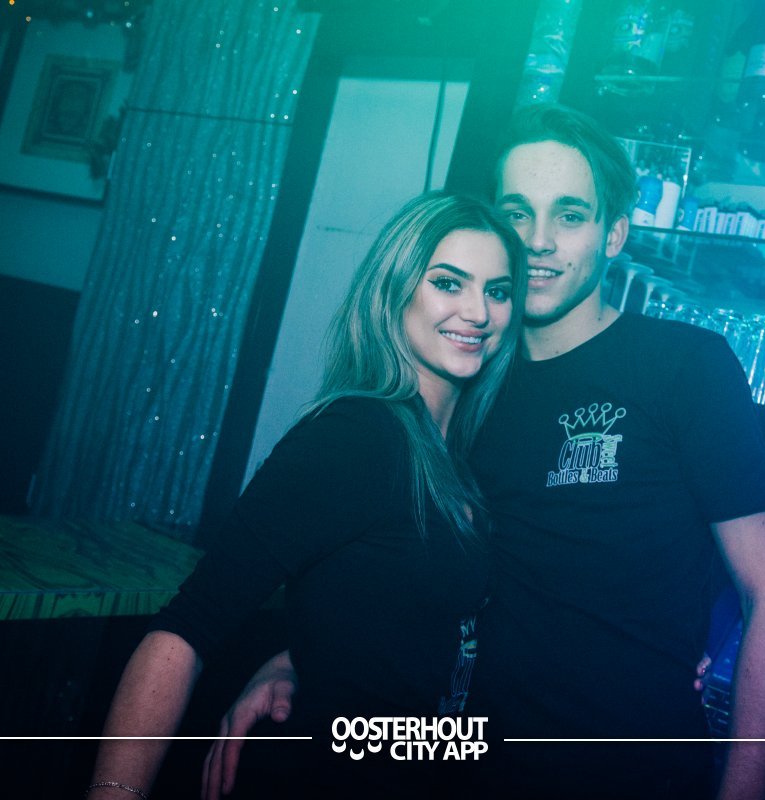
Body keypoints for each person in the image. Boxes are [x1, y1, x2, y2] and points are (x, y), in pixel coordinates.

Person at [207, 104, 765, 799]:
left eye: (570, 215)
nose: (539, 242)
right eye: (518, 213)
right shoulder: (464, 378)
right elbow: (396, 575)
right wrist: (297, 656)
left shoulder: (684, 368)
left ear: (614, 233)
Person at [84, 191, 527, 800]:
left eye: (497, 291)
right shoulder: (353, 436)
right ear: (393, 291)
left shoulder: (456, 454)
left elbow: (385, 622)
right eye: (448, 283)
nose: (477, 311)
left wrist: (294, 656)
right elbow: (187, 628)